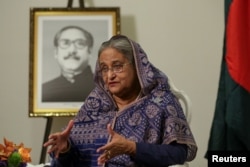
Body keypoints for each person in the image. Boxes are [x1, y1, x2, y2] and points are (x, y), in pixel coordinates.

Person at [43, 35, 197, 167]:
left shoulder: (161, 101)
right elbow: (74, 160)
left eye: (117, 66)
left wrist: (132, 148)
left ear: (137, 67)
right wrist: (65, 149)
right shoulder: (94, 103)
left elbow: (179, 153)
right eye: (104, 68)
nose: (110, 75)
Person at [42, 25, 95, 102]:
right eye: (65, 43)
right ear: (56, 52)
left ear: (89, 51)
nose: (72, 50)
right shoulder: (44, 90)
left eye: (80, 43)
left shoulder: (105, 88)